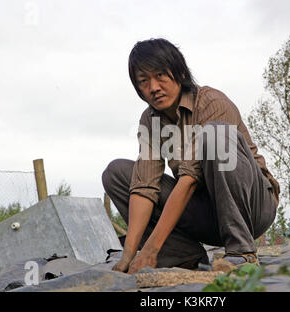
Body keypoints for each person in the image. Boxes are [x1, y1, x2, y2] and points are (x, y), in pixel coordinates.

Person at [102, 38, 280, 274]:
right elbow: (145, 187)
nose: (153, 87)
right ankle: (182, 256)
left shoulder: (212, 103)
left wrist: (150, 249)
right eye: (144, 81)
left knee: (215, 133)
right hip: (206, 215)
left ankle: (242, 252)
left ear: (181, 73)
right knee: (117, 173)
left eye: (160, 76)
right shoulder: (150, 121)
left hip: (251, 209)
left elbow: (188, 180)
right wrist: (128, 256)